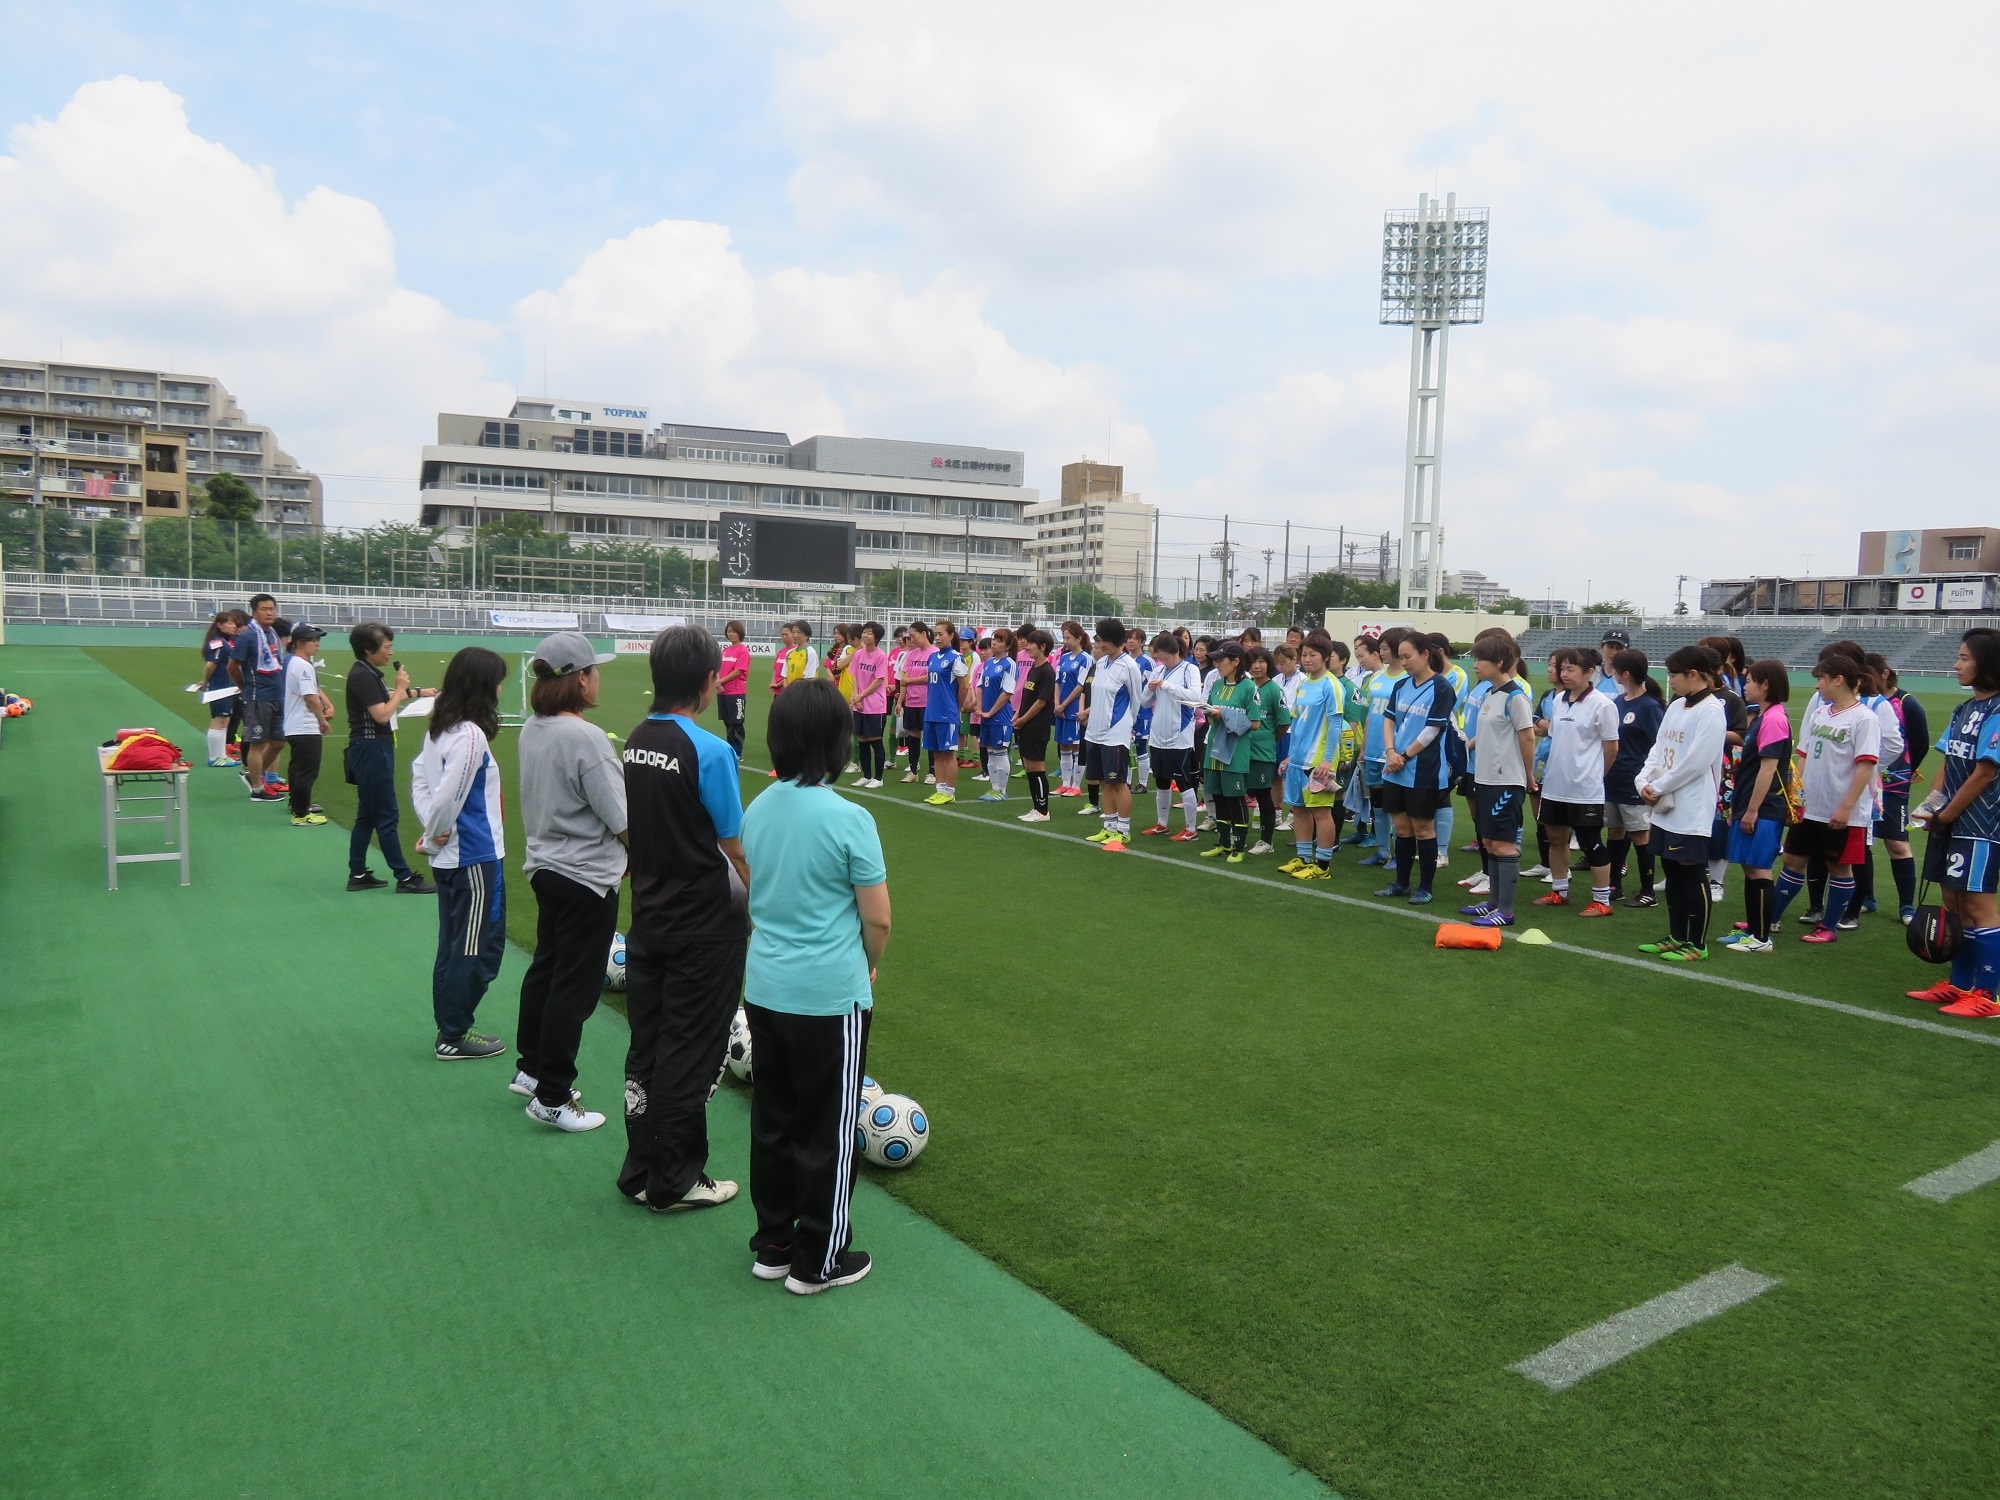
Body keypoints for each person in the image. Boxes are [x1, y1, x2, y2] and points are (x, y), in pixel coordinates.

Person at [740, 679, 891, 1294]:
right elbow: (878, 918)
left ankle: (774, 1244)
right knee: (826, 1126)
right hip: (829, 994)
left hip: (766, 986)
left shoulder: (757, 808)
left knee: (773, 1118)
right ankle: (818, 1260)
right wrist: (868, 961)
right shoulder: (850, 818)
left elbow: (758, 887)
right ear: (838, 743)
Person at [619, 625, 749, 1212]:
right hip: (704, 924)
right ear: (705, 681)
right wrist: (763, 904)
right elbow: (734, 845)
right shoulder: (711, 749)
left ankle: (642, 1168)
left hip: (649, 917)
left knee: (648, 1043)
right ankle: (674, 1178)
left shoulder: (634, 739)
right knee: (691, 1050)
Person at [512, 631, 626, 1133]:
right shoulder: (584, 737)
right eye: (593, 671)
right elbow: (622, 818)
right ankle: (552, 1094)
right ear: (580, 678)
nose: (597, 678)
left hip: (546, 866)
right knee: (574, 987)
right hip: (585, 875)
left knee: (547, 967)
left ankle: (532, 1068)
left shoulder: (532, 727)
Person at [411, 647, 511, 1061]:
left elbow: (420, 782)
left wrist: (431, 832)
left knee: (455, 945)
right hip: (473, 856)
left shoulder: (440, 729)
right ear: (483, 685)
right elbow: (448, 793)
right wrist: (435, 833)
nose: (503, 688)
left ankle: (451, 1026)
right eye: (498, 681)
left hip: (455, 855)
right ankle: (453, 1033)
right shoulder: (470, 734)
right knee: (478, 948)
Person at [1906, 630, 2000, 1015]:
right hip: (1950, 821)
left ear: (1987, 663)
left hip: (1981, 826)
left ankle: (1988, 994)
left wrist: (1946, 814)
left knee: (1978, 905)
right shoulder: (1964, 710)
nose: (1956, 665)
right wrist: (1932, 804)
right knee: (1952, 902)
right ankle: (1960, 985)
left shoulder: (1998, 711)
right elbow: (1948, 760)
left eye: (1963, 658)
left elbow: (1985, 773)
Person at [1768, 651, 1880, 944]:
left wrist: (1845, 807)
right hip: (1810, 807)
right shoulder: (1820, 713)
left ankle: (1828, 927)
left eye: (1821, 679)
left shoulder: (1864, 719)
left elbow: (1865, 765)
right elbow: (1803, 755)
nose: (1817, 685)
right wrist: (1796, 794)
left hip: (1842, 811)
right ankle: (1770, 918)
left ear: (1839, 680)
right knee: (1792, 859)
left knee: (1838, 867)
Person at [1632, 646, 1730, 962]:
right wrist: (1642, 782)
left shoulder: (1713, 711)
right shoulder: (1676, 706)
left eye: (1674, 674)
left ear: (1694, 675)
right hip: (1664, 806)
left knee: (1691, 873)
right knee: (1672, 871)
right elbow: (1658, 749)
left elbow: (1695, 763)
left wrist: (1657, 786)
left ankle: (1697, 943)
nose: (1669, 680)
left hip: (1691, 808)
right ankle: (1676, 936)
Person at [343, 622, 435, 895]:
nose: (390, 652)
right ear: (368, 650)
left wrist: (419, 692)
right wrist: (399, 688)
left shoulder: (367, 672)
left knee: (368, 815)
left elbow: (383, 699)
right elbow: (382, 714)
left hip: (369, 748)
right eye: (386, 647)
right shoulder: (363, 675)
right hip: (371, 749)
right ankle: (404, 877)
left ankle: (358, 872)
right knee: (386, 815)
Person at [1534, 646, 1619, 916]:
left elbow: (1612, 747)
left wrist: (1595, 775)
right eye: (1562, 668)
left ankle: (1602, 901)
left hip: (1585, 790)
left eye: (1571, 669)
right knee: (1555, 838)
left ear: (1590, 672)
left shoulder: (1603, 705)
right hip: (1556, 785)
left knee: (1590, 842)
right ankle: (1560, 891)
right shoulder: (1558, 700)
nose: (1564, 674)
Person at [1459, 634, 1537, 927]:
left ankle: (1505, 911)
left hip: (1507, 781)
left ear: (1500, 663)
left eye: (1480, 659)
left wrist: (1527, 776)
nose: (1475, 664)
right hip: (1486, 778)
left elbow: (1526, 736)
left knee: (1503, 844)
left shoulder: (1516, 697)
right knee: (1489, 841)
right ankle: (1492, 903)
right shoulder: (1491, 695)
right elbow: (1494, 732)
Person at [1716, 660, 1792, 953]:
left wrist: (1752, 809)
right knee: (1750, 870)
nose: (1744, 686)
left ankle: (1761, 938)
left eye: (1749, 681)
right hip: (1751, 804)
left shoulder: (1773, 718)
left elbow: (1768, 768)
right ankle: (1753, 930)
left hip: (1764, 807)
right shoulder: (1762, 716)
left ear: (1766, 685)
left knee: (1760, 870)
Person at [1376, 631, 1455, 903]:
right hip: (1395, 767)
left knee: (1423, 829)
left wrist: (1404, 757)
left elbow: (1432, 730)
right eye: (1401, 657)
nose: (1404, 662)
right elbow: (1389, 721)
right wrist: (1390, 752)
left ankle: (1426, 887)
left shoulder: (1442, 688)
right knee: (1401, 828)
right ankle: (1401, 883)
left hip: (1423, 769)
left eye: (1408, 656)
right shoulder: (1401, 686)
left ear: (1425, 654)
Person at [1278, 630, 1348, 880]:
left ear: (1326, 657)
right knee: (1298, 809)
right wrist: (1289, 756)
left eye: (1313, 655)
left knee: (1321, 812)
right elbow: (1296, 722)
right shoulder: (1305, 683)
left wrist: (1328, 760)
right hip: (1298, 759)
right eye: (1304, 654)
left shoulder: (1332, 685)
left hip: (1318, 760)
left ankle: (1322, 865)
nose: (1307, 659)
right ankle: (1303, 857)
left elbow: (1336, 725)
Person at [1604, 649, 1666, 908]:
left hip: (1635, 782)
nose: (1611, 671)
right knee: (1615, 832)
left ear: (1625, 673)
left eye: (1615, 667)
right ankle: (1614, 885)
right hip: (1612, 781)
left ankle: (1647, 890)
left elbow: (1660, 746)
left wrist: (1650, 781)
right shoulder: (1618, 702)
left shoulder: (1650, 706)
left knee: (1641, 836)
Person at [1082, 617, 1147, 850]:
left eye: (1103, 640)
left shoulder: (1129, 666)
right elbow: (1099, 695)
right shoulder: (1101, 663)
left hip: (1115, 734)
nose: (1099, 644)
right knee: (1103, 782)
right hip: (1094, 732)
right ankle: (1108, 828)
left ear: (1114, 640)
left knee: (1118, 782)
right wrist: (1088, 713)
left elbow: (1136, 701)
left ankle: (1124, 830)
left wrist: (1126, 726)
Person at [1140, 631, 1203, 841]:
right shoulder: (1158, 670)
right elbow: (1145, 702)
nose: (1162, 661)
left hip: (1180, 734)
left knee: (1184, 781)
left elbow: (1195, 697)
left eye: (1165, 657)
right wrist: (1149, 690)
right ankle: (1162, 823)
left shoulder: (1189, 669)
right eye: (1159, 657)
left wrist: (1167, 686)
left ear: (1175, 651)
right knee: (1161, 780)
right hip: (1158, 734)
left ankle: (1191, 828)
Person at [1200, 641, 1259, 862]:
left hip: (1235, 752)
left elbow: (1255, 723)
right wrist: (1210, 712)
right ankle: (1223, 842)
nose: (1216, 664)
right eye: (1214, 660)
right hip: (1214, 748)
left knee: (1235, 799)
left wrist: (1224, 714)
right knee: (1218, 796)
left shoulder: (1248, 687)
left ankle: (1239, 846)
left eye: (1220, 660)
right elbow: (1208, 710)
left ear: (1235, 662)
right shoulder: (1216, 684)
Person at [229, 593, 288, 802]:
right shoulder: (248, 636)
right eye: (264, 609)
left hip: (276, 695)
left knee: (279, 741)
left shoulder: (271, 634)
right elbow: (233, 666)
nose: (270, 612)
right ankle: (257, 789)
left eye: (272, 608)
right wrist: (245, 687)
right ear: (254, 612)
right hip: (258, 696)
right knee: (257, 742)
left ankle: (254, 774)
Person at [281, 624, 331, 826]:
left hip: (294, 725)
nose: (317, 644)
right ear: (300, 643)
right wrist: (322, 719)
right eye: (313, 640)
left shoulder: (293, 662)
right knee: (307, 771)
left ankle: (297, 805)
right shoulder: (303, 666)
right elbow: (310, 697)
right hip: (304, 726)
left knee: (297, 768)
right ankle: (301, 813)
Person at [920, 622, 971, 806]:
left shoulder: (957, 658)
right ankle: (940, 790)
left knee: (948, 753)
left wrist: (956, 708)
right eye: (936, 634)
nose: (938, 637)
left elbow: (964, 687)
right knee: (936, 753)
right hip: (931, 711)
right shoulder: (933, 657)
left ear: (951, 635)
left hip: (947, 713)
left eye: (941, 634)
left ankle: (950, 791)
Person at [1244, 646, 1288, 854]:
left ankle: (1266, 842)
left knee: (1263, 795)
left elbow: (1283, 722)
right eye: (1253, 661)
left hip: (1262, 753)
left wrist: (1268, 739)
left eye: (1261, 661)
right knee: (1239, 795)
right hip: (1242, 751)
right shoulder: (1246, 687)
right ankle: (1239, 837)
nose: (1256, 666)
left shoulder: (1274, 690)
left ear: (1268, 664)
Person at [1014, 629, 1058, 822]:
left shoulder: (1047, 672)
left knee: (1037, 767)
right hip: (1025, 725)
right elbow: (1026, 697)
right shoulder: (1033, 669)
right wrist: (1018, 714)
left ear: (1042, 647)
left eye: (1032, 643)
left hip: (1037, 726)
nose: (1027, 646)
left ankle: (1043, 810)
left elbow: (1041, 702)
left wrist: (1024, 719)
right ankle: (1036, 807)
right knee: (1029, 767)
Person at [973, 631, 1018, 803]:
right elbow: (980, 687)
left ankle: (1002, 789)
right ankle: (994, 787)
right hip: (985, 715)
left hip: (1000, 716)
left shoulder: (1010, 664)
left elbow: (1007, 692)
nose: (994, 643)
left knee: (1000, 752)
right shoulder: (988, 663)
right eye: (994, 639)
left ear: (1007, 646)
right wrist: (979, 708)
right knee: (990, 752)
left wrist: (991, 712)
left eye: (1000, 641)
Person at [848, 622, 891, 787]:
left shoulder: (881, 656)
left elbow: (878, 681)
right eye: (864, 632)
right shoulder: (859, 654)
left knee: (875, 740)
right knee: (862, 739)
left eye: (869, 633)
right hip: (859, 704)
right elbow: (854, 675)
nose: (865, 635)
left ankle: (878, 778)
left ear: (876, 638)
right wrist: (855, 696)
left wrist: (860, 696)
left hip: (875, 705)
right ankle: (866, 775)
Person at [199, 611, 241, 766]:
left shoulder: (226, 642)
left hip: (227, 687)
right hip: (220, 688)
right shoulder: (218, 642)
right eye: (229, 623)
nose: (233, 626)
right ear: (219, 625)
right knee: (218, 721)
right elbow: (211, 664)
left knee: (225, 721)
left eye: (234, 623)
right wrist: (205, 681)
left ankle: (221, 755)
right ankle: (213, 757)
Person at [1054, 622, 1090, 796]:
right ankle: (1065, 783)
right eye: (1063, 637)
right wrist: (1056, 704)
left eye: (1068, 638)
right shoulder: (1064, 658)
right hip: (1060, 709)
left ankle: (1076, 785)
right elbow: (1057, 682)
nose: (1065, 641)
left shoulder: (1085, 658)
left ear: (1079, 638)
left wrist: (1064, 704)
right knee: (1064, 746)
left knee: (1076, 746)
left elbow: (1080, 686)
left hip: (1074, 709)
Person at [897, 622, 933, 782]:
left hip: (928, 702)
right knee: (913, 736)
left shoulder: (934, 653)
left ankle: (932, 772)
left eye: (913, 635)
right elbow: (903, 680)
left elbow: (929, 677)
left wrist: (910, 680)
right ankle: (913, 771)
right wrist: (900, 701)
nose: (911, 639)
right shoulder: (911, 655)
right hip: (912, 702)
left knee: (930, 736)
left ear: (924, 634)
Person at [715, 621, 750, 758]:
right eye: (729, 631)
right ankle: (731, 749)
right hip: (722, 691)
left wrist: (721, 681)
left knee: (736, 722)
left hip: (736, 691)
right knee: (727, 722)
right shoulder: (725, 651)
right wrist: (718, 683)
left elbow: (739, 671)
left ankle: (738, 751)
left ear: (740, 633)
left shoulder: (743, 650)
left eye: (734, 631)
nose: (731, 634)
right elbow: (718, 668)